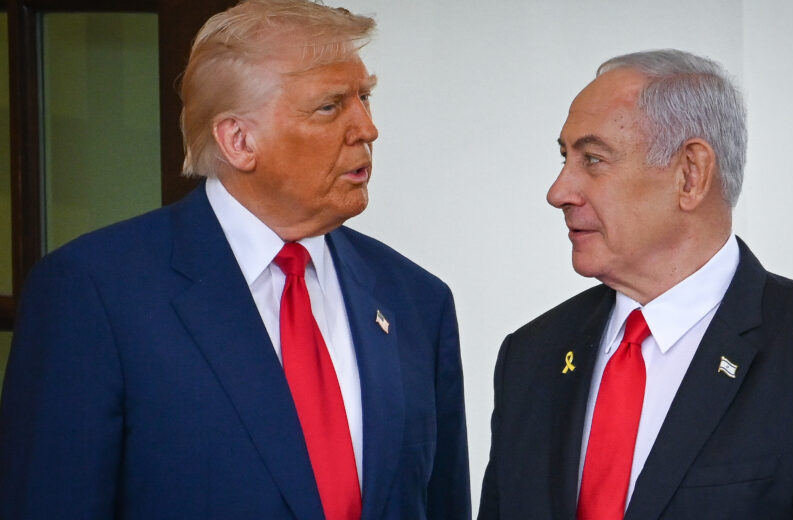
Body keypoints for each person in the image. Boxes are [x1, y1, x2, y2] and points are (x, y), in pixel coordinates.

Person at [0, 1, 470, 519]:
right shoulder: (94, 292)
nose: (368, 128)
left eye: (366, 97)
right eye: (331, 107)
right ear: (239, 140)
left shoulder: (416, 300)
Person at [477, 49, 793, 519]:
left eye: (592, 159)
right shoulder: (531, 358)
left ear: (691, 175)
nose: (559, 191)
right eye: (565, 157)